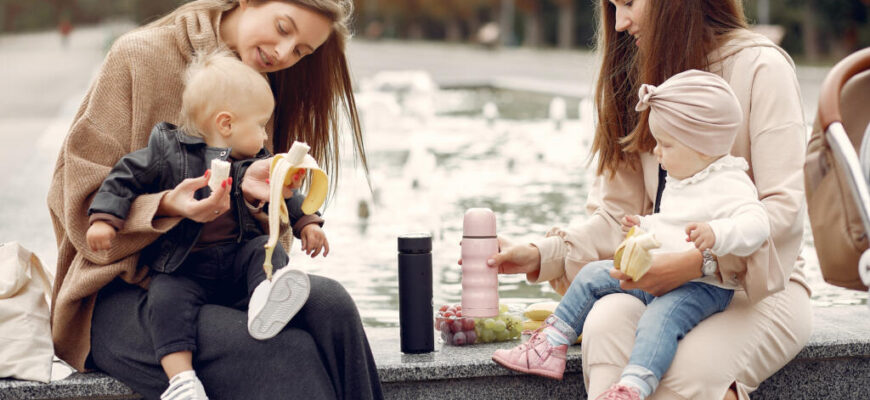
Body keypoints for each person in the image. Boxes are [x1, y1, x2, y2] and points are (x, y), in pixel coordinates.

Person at [47, 1, 382, 399]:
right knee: (286, 354)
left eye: (300, 51)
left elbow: (270, 230)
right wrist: (166, 206)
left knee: (333, 305)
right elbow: (78, 202)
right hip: (126, 292)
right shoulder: (139, 56)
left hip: (223, 275)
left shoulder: (259, 78)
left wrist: (257, 202)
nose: (282, 52)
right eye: (282, 27)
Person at [484, 1, 811, 399]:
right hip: (662, 283)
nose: (620, 23)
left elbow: (783, 212)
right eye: (612, 6)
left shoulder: (762, 68)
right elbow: (618, 219)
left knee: (685, 372)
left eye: (628, 3)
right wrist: (541, 254)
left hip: (758, 289)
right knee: (605, 323)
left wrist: (698, 262)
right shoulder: (635, 77)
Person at [84, 50, 327, 399]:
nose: (264, 136)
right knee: (164, 300)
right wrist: (105, 220)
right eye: (260, 125)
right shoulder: (167, 151)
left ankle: (266, 298)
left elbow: (285, 193)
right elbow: (124, 178)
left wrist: (307, 223)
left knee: (266, 251)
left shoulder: (256, 161)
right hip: (185, 265)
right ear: (226, 124)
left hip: (236, 257)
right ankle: (182, 381)